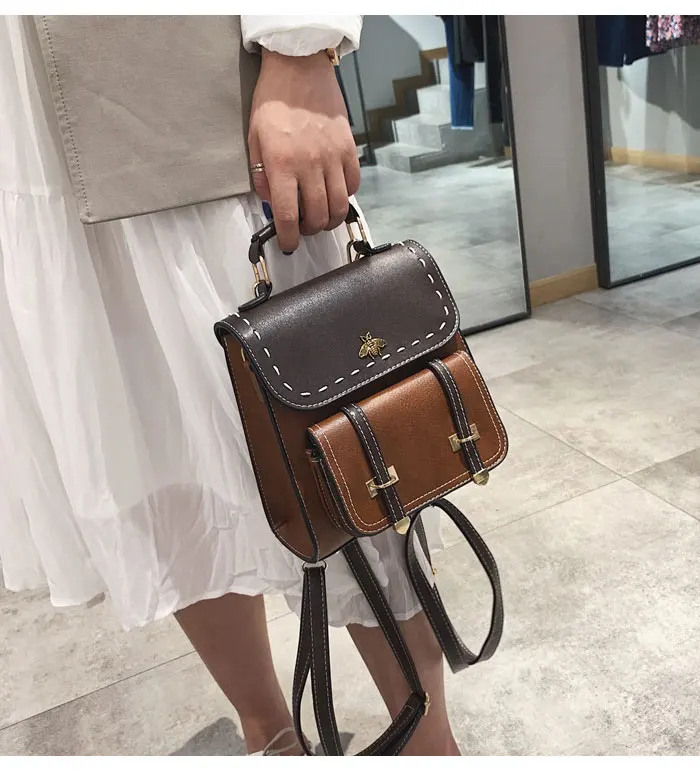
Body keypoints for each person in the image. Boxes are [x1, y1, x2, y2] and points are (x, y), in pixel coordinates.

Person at [0, 15, 458, 755]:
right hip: (28, 139)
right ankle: (270, 734)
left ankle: (430, 746)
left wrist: (301, 50)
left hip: (191, 91)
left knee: (349, 467)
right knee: (162, 462)